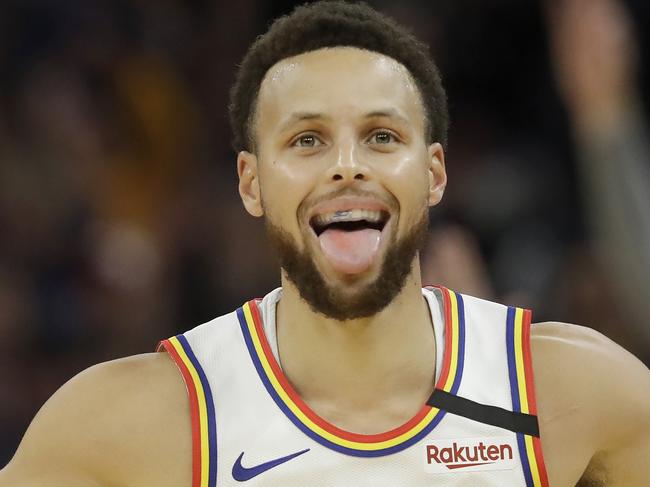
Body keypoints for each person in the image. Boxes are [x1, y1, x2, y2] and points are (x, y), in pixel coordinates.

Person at [1, 1, 648, 485]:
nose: (347, 166)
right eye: (307, 139)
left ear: (435, 174)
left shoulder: (568, 387)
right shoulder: (137, 418)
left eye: (382, 136)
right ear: (251, 183)